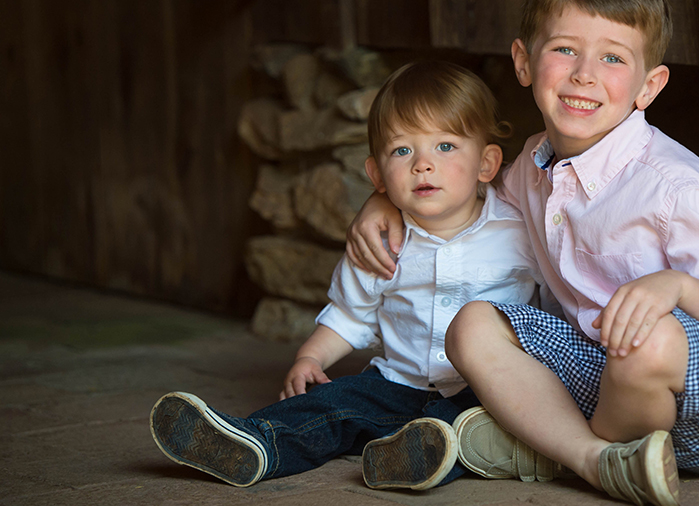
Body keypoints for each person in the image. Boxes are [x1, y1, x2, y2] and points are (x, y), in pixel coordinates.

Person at [346, 0, 699, 506]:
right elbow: (467, 200)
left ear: (649, 85)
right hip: (606, 382)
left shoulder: (674, 187)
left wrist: (677, 288)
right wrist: (384, 202)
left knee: (650, 336)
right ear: (523, 62)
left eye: (613, 58)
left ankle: (546, 450)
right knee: (471, 325)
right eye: (565, 49)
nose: (584, 74)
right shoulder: (532, 168)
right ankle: (595, 460)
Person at [149, 61, 546, 491]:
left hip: (482, 389)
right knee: (331, 403)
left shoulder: (519, 232)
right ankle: (254, 444)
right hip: (396, 384)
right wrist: (310, 359)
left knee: (473, 425)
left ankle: (419, 454)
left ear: (487, 163)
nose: (423, 165)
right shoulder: (378, 243)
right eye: (402, 151)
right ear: (376, 175)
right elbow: (349, 315)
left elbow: (552, 303)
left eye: (446, 146)